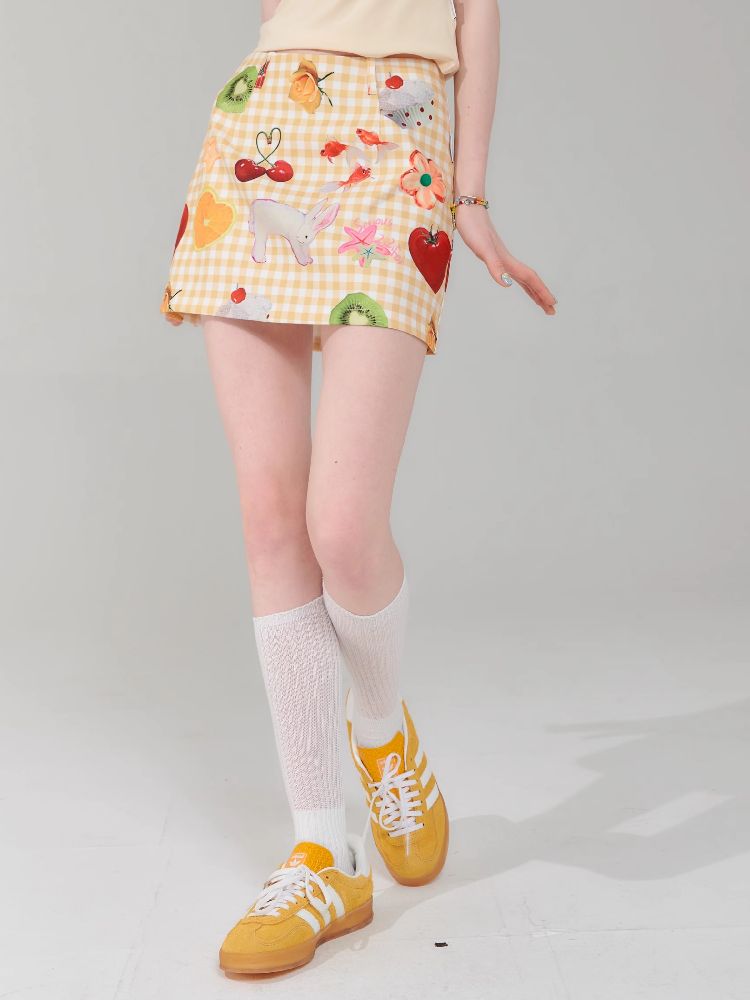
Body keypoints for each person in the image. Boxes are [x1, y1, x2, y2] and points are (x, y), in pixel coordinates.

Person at [160, 0, 556, 976]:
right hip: (264, 123)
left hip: (395, 137)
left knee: (341, 525)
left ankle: (380, 728)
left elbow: (476, 12)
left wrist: (469, 192)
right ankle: (323, 853)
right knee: (270, 521)